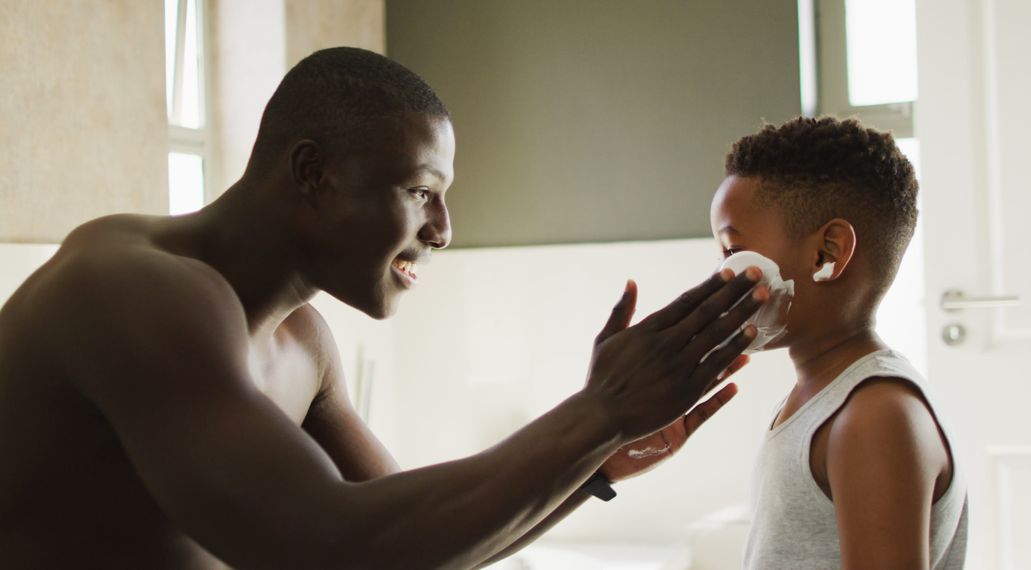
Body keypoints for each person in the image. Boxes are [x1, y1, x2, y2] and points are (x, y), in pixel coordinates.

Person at [0, 47, 767, 568]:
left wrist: (590, 460)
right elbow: (336, 547)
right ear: (313, 174)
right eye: (421, 192)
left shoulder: (303, 340)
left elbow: (415, 548)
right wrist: (596, 414)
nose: (444, 230)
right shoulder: (132, 291)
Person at [709, 116, 968, 569]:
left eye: (732, 251)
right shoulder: (820, 398)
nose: (722, 274)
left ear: (827, 254)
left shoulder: (874, 416)